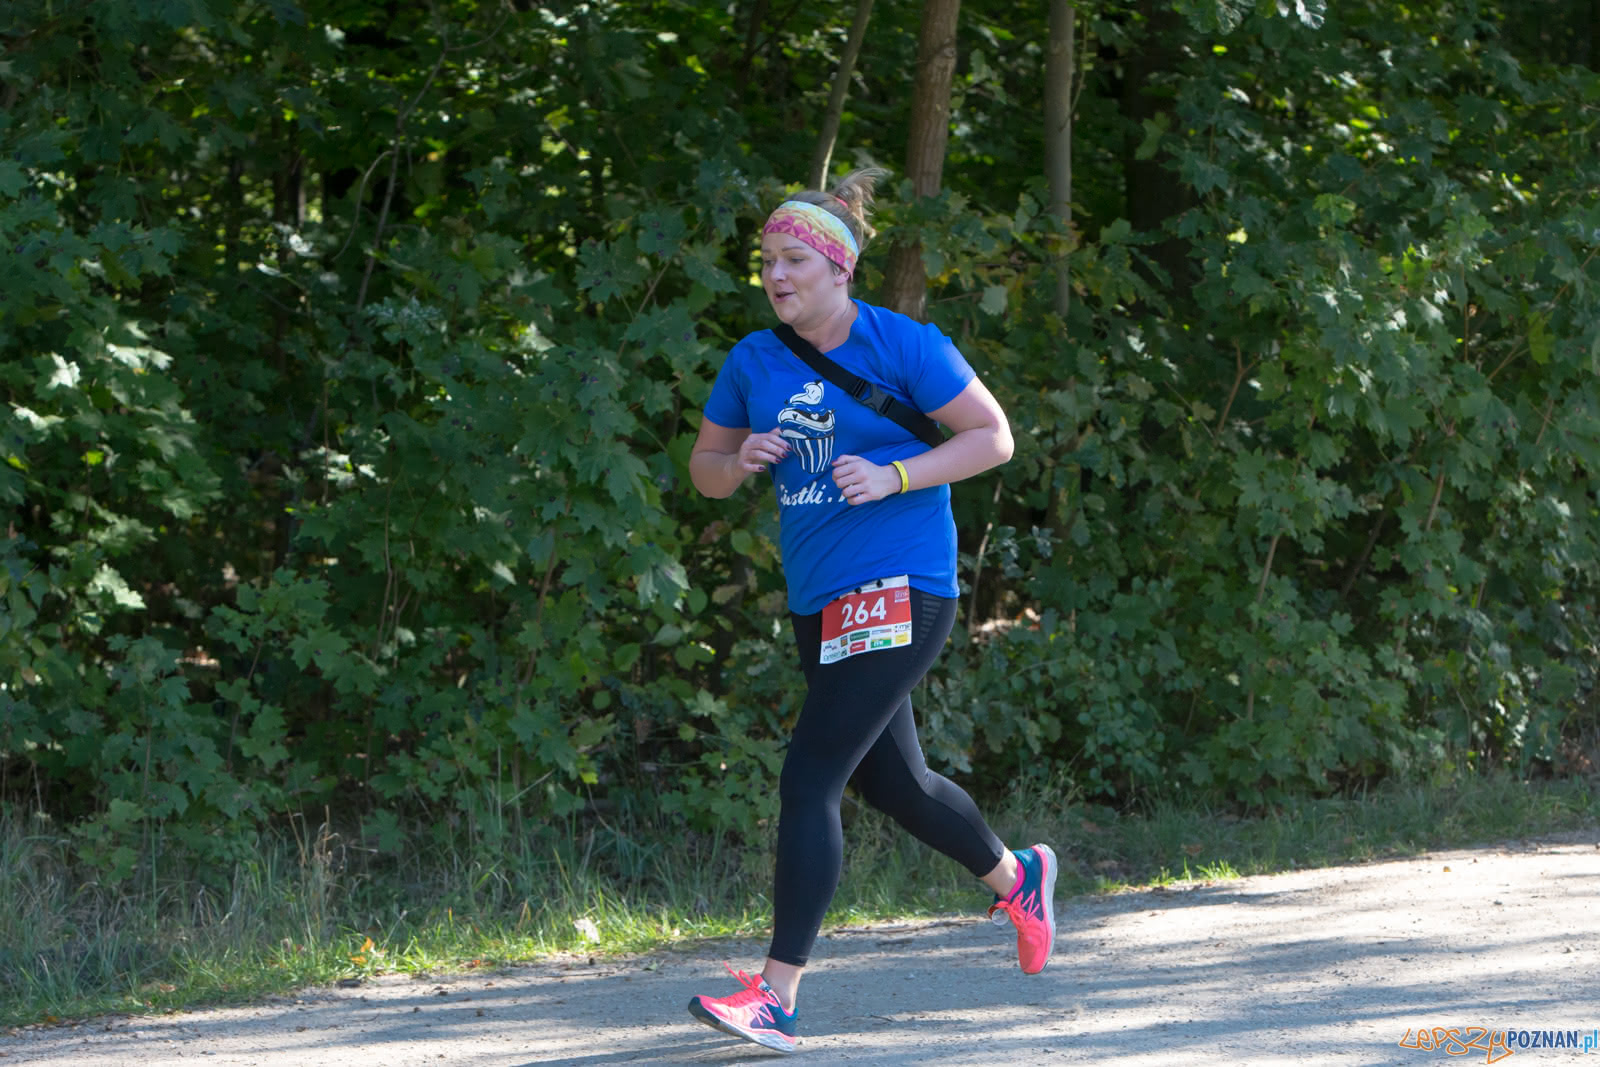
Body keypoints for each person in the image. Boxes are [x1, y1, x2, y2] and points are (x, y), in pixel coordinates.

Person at [683, 167, 1057, 1055]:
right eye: (765, 261)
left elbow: (991, 437)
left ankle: (776, 997)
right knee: (893, 781)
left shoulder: (904, 344)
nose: (775, 276)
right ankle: (1018, 877)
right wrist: (740, 467)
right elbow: (704, 465)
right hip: (821, 596)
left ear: (839, 270)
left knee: (810, 776)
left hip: (902, 585)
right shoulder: (754, 360)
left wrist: (894, 473)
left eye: (792, 262)